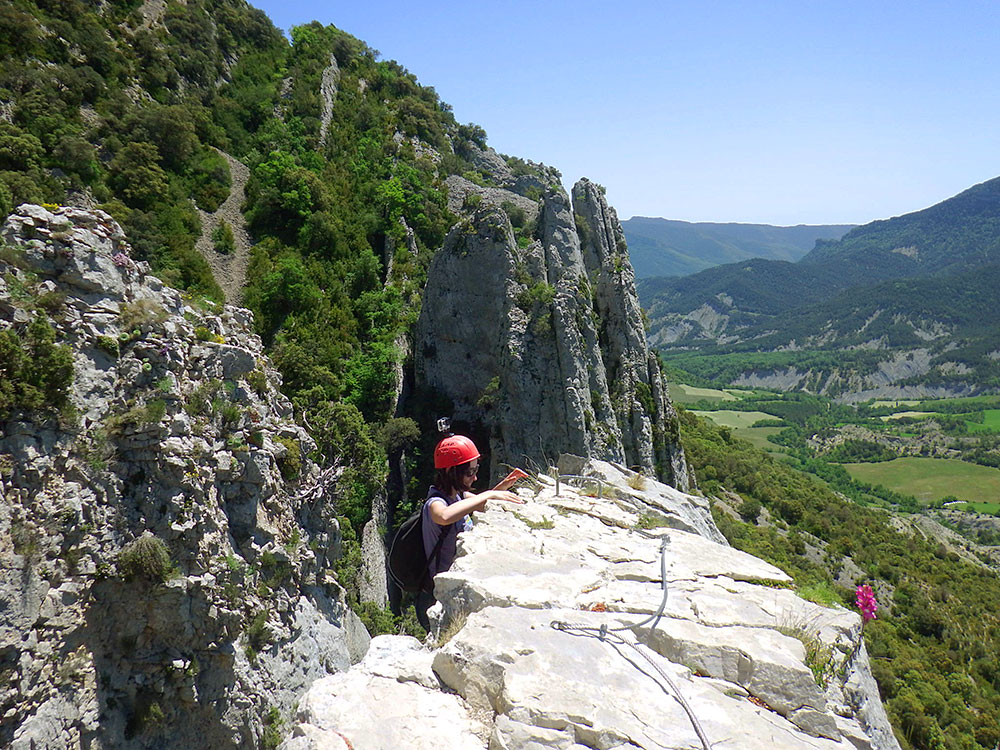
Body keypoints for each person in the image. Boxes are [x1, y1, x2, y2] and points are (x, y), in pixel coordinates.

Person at [415, 433, 522, 628]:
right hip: (438, 599)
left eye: (476, 470)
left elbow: (480, 504)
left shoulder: (458, 496)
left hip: (456, 592)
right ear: (450, 471)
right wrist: (489, 493)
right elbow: (445, 516)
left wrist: (502, 487)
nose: (475, 477)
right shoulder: (435, 503)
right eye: (469, 472)